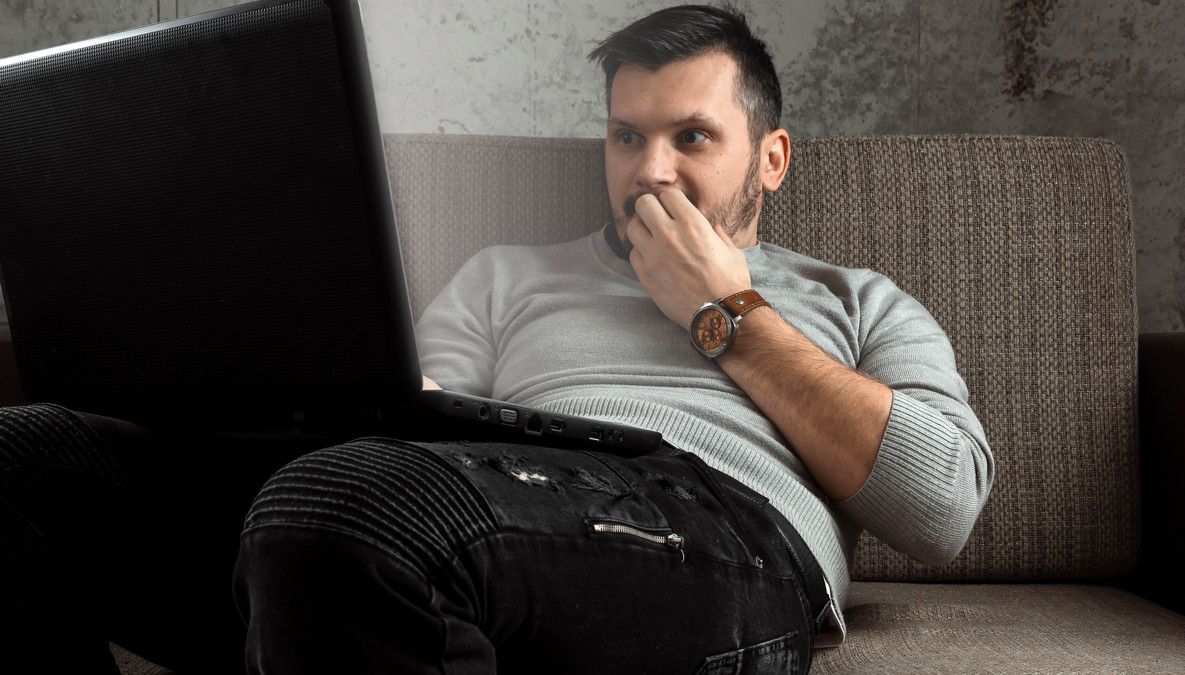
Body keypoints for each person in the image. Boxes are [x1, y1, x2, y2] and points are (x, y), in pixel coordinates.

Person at [0, 5, 993, 673]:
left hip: (717, 528)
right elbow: (410, 420)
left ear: (770, 158)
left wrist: (723, 313)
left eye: (691, 136)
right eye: (626, 136)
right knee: (23, 457)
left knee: (351, 509)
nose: (651, 170)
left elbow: (940, 504)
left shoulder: (857, 301)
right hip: (463, 499)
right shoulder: (506, 275)